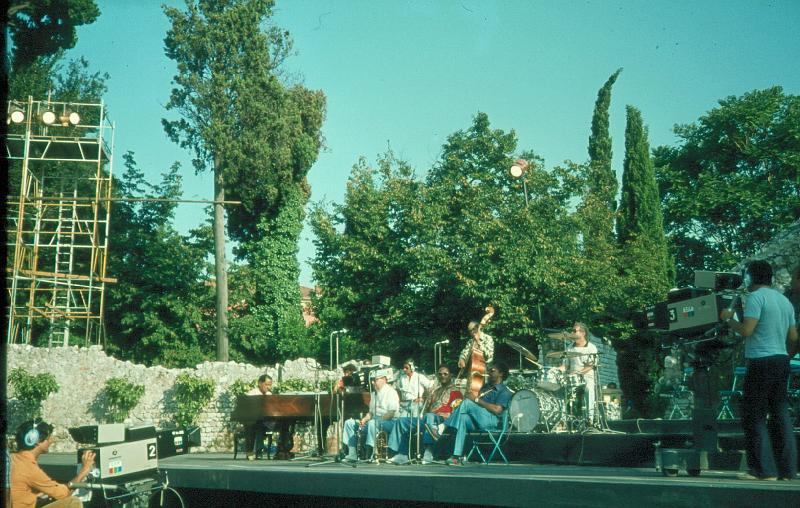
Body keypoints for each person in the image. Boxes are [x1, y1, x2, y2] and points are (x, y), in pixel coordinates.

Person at [720, 260, 798, 481]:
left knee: (754, 415)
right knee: (780, 415)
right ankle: (788, 470)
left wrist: (728, 319)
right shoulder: (784, 301)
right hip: (781, 359)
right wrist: (783, 355)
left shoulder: (756, 297)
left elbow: (746, 330)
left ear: (749, 278)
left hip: (760, 361)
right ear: (770, 278)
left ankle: (763, 470)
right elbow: (793, 337)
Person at [436, 362, 512, 465]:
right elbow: (478, 408)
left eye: (492, 371)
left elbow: (497, 410)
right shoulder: (485, 387)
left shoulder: (504, 391)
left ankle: (444, 426)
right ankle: (456, 456)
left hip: (493, 421)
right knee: (462, 417)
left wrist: (475, 400)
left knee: (467, 403)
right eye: (489, 370)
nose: (489, 373)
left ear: (501, 374)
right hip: (479, 420)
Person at [10, 420, 96, 508]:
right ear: (37, 441)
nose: (52, 441)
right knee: (73, 502)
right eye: (48, 438)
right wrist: (84, 470)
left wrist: (34, 496)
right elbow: (64, 493)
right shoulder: (29, 468)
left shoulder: (12, 459)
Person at [389, 364, 462, 464]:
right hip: (427, 419)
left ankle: (429, 451)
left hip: (442, 421)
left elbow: (456, 414)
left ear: (451, 376)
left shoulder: (456, 392)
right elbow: (426, 410)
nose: (442, 376)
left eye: (445, 374)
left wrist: (442, 416)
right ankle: (401, 453)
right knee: (401, 421)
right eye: (440, 374)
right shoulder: (435, 391)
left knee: (430, 416)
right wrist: (425, 397)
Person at [341, 368, 399, 461]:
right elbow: (371, 412)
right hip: (374, 420)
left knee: (372, 423)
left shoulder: (391, 392)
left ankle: (371, 452)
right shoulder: (374, 394)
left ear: (384, 380)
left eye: (375, 380)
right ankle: (352, 453)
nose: (373, 383)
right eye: (372, 380)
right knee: (349, 423)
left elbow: (391, 413)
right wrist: (364, 419)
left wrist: (377, 420)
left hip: (389, 421)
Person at [558, 322, 599, 424]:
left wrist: (578, 373)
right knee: (558, 389)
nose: (572, 332)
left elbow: (590, 366)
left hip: (587, 377)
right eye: (572, 330)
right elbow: (565, 366)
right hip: (572, 378)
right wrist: (557, 370)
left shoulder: (591, 347)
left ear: (583, 333)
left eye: (574, 331)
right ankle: (562, 419)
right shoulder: (569, 348)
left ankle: (589, 419)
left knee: (589, 388)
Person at [244, 374, 275, 460]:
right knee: (255, 426)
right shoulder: (252, 394)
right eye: (266, 384)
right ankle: (254, 451)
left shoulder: (269, 394)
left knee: (283, 423)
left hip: (267, 421)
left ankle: (282, 451)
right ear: (260, 383)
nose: (268, 387)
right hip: (254, 420)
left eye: (270, 385)